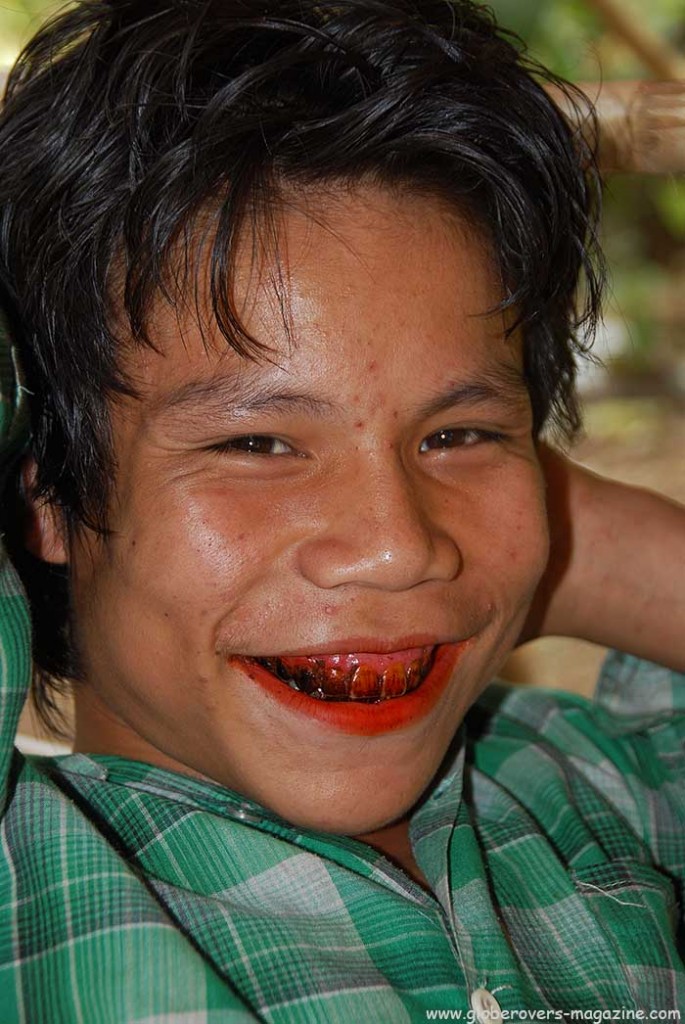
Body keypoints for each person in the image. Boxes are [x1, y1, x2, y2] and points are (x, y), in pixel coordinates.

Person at [0, 0, 683, 1020]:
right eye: (255, 444)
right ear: (50, 492)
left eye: (457, 434)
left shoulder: (595, 785)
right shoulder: (29, 889)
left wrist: (549, 546)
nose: (397, 545)